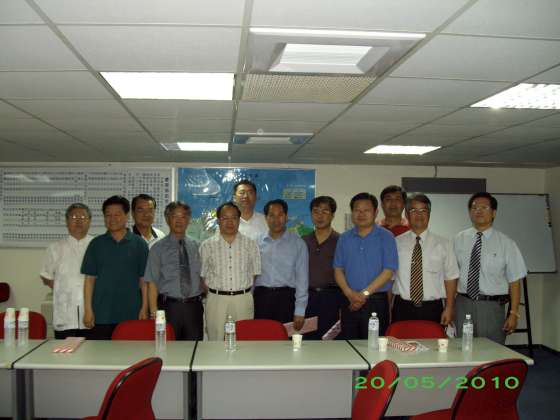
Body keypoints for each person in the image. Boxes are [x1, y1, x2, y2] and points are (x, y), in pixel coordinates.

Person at [454, 192, 527, 344]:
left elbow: (514, 281)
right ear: (470, 212)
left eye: (484, 207)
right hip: (462, 305)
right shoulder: (458, 239)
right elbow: (452, 275)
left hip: (491, 307)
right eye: (474, 208)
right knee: (462, 348)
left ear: (494, 213)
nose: (478, 211)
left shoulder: (506, 243)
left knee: (491, 351)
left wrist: (514, 313)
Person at [81, 196, 149, 339]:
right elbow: (89, 280)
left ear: (127, 216)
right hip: (101, 314)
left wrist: (144, 308)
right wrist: (88, 310)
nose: (112, 219)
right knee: (99, 351)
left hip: (131, 313)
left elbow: (144, 281)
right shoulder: (96, 244)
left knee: (130, 351)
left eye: (117, 214)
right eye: (108, 215)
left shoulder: (139, 244)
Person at [334, 192, 398, 339]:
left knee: (375, 346)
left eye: (366, 210)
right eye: (357, 210)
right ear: (352, 213)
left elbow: (388, 271)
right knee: (349, 345)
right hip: (349, 300)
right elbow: (338, 269)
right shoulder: (344, 238)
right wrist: (350, 294)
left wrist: (363, 295)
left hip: (376, 301)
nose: (361, 214)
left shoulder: (386, 237)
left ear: (375, 212)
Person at [392, 194, 459, 325]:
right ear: (406, 214)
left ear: (429, 214)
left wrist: (449, 307)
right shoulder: (395, 243)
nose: (419, 214)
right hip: (402, 307)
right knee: (401, 339)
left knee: (433, 339)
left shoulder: (444, 244)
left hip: (433, 308)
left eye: (423, 210)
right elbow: (390, 278)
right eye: (414, 210)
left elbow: (450, 278)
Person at [200, 201, 261, 340]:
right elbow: (203, 276)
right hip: (216, 300)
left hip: (242, 299)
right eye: (225, 218)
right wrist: (216, 293)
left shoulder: (251, 244)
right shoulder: (207, 245)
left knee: (244, 341)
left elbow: (254, 273)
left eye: (234, 218)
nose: (229, 222)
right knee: (215, 341)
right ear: (218, 220)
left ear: (239, 220)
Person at [145, 201, 204, 340]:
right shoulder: (157, 249)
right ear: (167, 219)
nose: (179, 220)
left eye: (183, 216)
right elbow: (152, 282)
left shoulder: (198, 246)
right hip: (168, 307)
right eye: (174, 216)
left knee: (194, 347)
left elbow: (204, 277)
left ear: (188, 220)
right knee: (168, 346)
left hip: (194, 307)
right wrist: (153, 311)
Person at [40, 203, 93, 339]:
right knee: (65, 351)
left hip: (92, 314)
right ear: (66, 221)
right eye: (74, 217)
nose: (78, 220)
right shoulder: (55, 248)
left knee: (92, 351)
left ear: (89, 221)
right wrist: (63, 288)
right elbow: (46, 276)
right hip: (65, 314)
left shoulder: (97, 245)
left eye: (83, 217)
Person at [254, 199, 308, 331]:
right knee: (261, 337)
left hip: (286, 299)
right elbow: (251, 276)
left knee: (284, 338)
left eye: (280, 215)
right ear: (266, 218)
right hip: (261, 298)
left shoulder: (298, 243)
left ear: (286, 216)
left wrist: (300, 310)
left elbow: (302, 279)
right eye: (271, 215)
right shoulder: (256, 243)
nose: (276, 219)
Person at [302, 196, 341, 340]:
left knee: (330, 340)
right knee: (307, 340)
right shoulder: (303, 241)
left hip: (332, 298)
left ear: (332, 215)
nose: (320, 216)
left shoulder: (341, 241)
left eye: (325, 211)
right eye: (316, 211)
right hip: (307, 298)